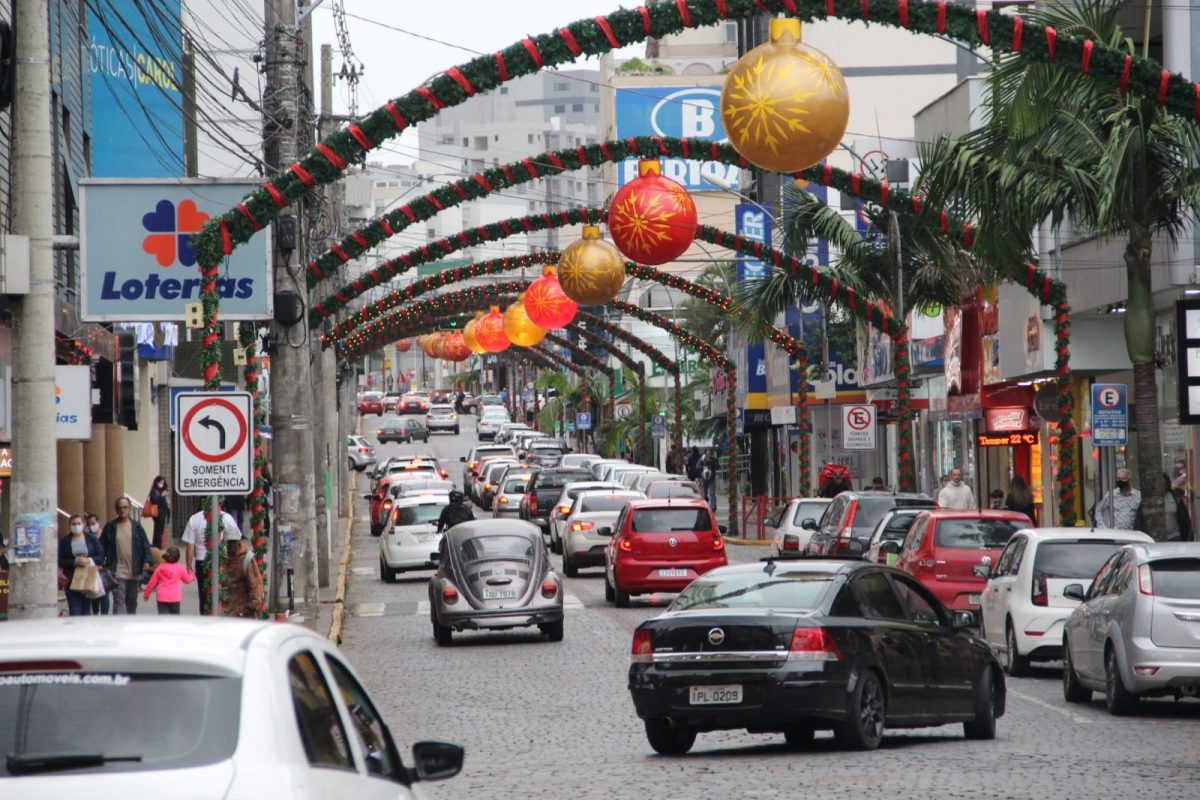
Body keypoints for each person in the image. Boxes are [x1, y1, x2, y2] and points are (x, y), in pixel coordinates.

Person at [181, 504, 243, 615]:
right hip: (223, 559)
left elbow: (190, 545)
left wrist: (188, 564)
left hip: (201, 561)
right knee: (223, 590)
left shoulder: (194, 519)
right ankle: (222, 614)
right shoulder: (226, 517)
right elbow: (236, 537)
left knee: (204, 594)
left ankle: (205, 617)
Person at [101, 497, 154, 614]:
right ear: (116, 509)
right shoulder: (110, 527)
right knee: (119, 600)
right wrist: (100, 563)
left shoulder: (137, 527)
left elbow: (145, 545)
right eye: (119, 507)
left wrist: (147, 561)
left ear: (129, 509)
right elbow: (102, 546)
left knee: (132, 601)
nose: (122, 510)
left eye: (125, 507)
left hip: (134, 571)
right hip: (117, 570)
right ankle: (119, 626)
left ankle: (130, 623)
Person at [59, 514, 105, 617]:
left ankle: (85, 632)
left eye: (79, 523)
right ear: (69, 525)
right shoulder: (64, 541)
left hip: (88, 578)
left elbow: (100, 555)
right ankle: (75, 632)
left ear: (83, 524)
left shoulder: (91, 539)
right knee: (75, 610)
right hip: (71, 580)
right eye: (73, 524)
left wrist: (89, 560)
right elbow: (60, 560)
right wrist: (73, 562)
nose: (76, 526)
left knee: (86, 611)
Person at [1134, 473, 1193, 541]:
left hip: (1175, 538)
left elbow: (1184, 518)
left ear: (1167, 484)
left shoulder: (1175, 498)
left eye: (1162, 484)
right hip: (1153, 539)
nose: (1159, 487)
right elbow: (1139, 519)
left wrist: (1188, 536)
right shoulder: (1148, 499)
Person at [222, 530, 265, 618]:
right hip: (226, 612)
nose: (232, 546)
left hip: (243, 613)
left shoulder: (246, 559)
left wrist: (250, 607)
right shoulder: (222, 558)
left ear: (239, 542)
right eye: (229, 543)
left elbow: (256, 586)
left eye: (234, 542)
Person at [142, 546, 194, 615]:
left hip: (162, 597)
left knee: (163, 620)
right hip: (175, 598)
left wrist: (146, 595)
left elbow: (151, 583)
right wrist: (192, 574)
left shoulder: (160, 567)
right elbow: (187, 580)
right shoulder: (180, 568)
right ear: (178, 558)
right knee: (174, 621)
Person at [85, 513, 110, 614]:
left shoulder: (105, 534)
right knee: (94, 592)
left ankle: (104, 616)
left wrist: (104, 564)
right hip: (92, 568)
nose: (92, 526)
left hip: (104, 568)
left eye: (93, 523)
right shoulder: (88, 537)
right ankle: (95, 614)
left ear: (98, 523)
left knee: (104, 593)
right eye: (89, 524)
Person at [146, 475, 171, 550]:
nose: (162, 484)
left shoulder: (162, 491)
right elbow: (155, 500)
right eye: (160, 482)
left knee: (160, 531)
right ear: (156, 482)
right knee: (158, 531)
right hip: (158, 513)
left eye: (163, 482)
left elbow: (166, 503)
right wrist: (163, 496)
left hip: (163, 513)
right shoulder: (154, 491)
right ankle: (156, 546)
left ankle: (158, 546)